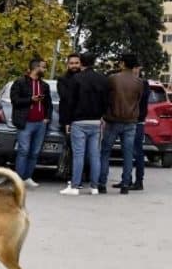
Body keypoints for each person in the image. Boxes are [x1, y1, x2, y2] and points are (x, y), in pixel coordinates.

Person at [59, 52, 107, 195]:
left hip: (79, 121)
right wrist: (102, 116)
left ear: (82, 62)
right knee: (95, 155)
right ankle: (94, 187)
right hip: (96, 121)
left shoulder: (76, 79)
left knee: (78, 155)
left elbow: (70, 102)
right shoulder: (102, 79)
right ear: (94, 62)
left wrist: (68, 121)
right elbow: (106, 100)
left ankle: (74, 186)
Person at [98, 53, 144, 195]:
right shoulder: (139, 82)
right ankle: (125, 184)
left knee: (105, 152)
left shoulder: (113, 79)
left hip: (113, 120)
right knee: (128, 154)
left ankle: (102, 183)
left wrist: (105, 114)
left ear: (122, 63)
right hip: (131, 121)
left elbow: (105, 98)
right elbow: (138, 100)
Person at [9, 56, 52, 187]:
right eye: (43, 67)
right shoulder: (20, 82)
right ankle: (19, 180)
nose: (45, 69)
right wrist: (31, 99)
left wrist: (47, 118)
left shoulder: (44, 85)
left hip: (40, 124)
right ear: (36, 68)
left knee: (34, 152)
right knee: (24, 151)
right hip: (25, 123)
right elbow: (15, 101)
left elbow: (48, 104)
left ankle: (28, 177)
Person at [56, 52, 82, 183]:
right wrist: (67, 122)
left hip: (83, 119)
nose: (74, 66)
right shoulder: (62, 80)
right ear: (67, 65)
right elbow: (65, 99)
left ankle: (78, 177)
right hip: (68, 120)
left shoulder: (85, 77)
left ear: (81, 63)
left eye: (76, 63)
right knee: (70, 148)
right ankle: (69, 176)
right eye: (71, 63)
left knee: (79, 150)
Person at [129, 65, 149, 191]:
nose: (134, 70)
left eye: (136, 67)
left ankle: (139, 181)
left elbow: (141, 101)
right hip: (127, 120)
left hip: (138, 122)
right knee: (127, 152)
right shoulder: (128, 82)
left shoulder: (143, 83)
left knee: (137, 152)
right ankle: (127, 179)